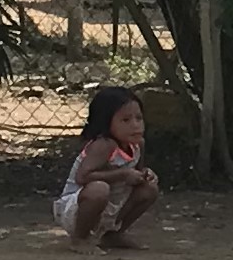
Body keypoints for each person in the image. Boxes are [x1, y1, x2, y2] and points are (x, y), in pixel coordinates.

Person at [59, 87, 159, 250]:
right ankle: (80, 238)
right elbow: (82, 177)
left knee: (149, 189)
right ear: (106, 122)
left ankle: (112, 234)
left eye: (139, 118)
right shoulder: (104, 145)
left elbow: (137, 172)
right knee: (99, 189)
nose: (135, 125)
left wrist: (145, 175)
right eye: (125, 120)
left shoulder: (138, 144)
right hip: (78, 208)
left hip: (112, 203)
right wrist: (123, 174)